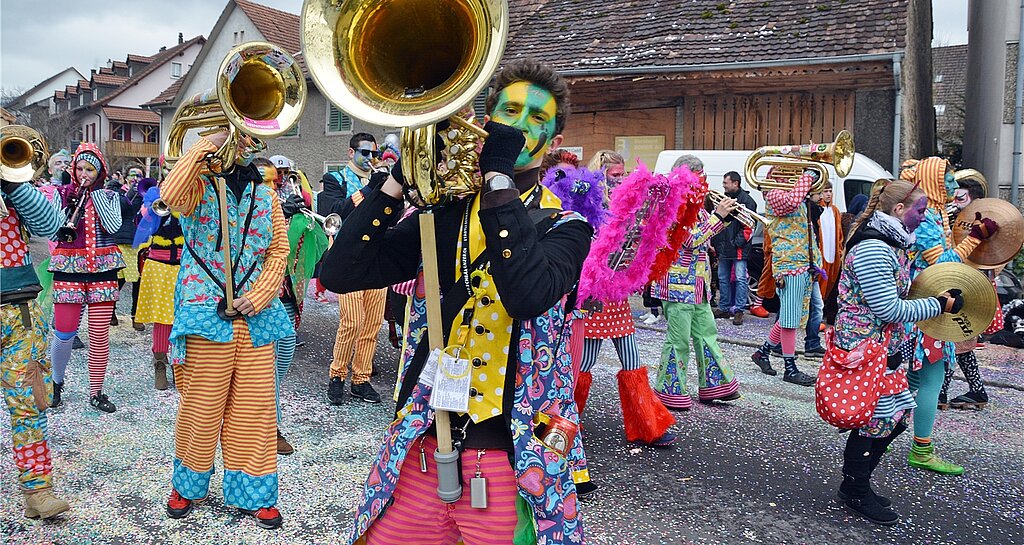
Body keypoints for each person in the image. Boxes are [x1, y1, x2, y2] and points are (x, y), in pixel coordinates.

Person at [323, 58, 591, 544]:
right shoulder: (446, 216)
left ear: (552, 143)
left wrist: (498, 179)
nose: (521, 125)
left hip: (518, 456)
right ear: (487, 122)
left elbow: (527, 294)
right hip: (426, 441)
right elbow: (342, 273)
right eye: (510, 111)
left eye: (537, 118)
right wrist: (395, 184)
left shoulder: (568, 226)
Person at [161, 129, 292, 529]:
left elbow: (279, 250)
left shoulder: (267, 195)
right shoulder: (197, 188)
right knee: (200, 409)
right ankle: (188, 485)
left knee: (255, 412)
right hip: (205, 315)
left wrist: (264, 292)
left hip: (256, 319)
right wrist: (207, 143)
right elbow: (169, 194)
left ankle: (254, 494)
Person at [821, 178, 950, 526]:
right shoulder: (875, 248)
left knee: (894, 419)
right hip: (864, 349)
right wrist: (936, 306)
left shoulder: (893, 243)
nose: (924, 217)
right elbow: (889, 309)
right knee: (875, 421)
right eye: (920, 211)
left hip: (883, 350)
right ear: (898, 210)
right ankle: (856, 489)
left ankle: (856, 485)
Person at [899, 157, 998, 475]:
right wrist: (975, 237)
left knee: (913, 379)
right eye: (948, 179)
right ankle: (921, 451)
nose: (954, 185)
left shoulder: (934, 213)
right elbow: (941, 263)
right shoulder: (925, 219)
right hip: (929, 308)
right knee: (931, 379)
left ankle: (882, 432)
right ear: (932, 183)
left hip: (929, 305)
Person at [575, 149, 677, 448]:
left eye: (622, 176)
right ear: (601, 175)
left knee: (631, 358)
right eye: (614, 176)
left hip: (616, 298)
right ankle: (564, 419)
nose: (619, 181)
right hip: (594, 297)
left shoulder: (627, 207)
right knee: (586, 361)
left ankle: (650, 426)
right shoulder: (588, 207)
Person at [1, 154, 71, 520]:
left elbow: (51, 224)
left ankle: (38, 492)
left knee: (31, 403)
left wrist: (11, 180)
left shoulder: (11, 186)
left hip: (19, 310)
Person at [653, 155, 741, 409]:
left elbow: (705, 236)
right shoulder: (671, 202)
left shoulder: (697, 204)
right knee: (678, 340)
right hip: (676, 284)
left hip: (699, 284)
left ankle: (715, 386)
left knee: (706, 334)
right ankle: (669, 390)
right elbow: (690, 239)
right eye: (699, 175)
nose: (703, 181)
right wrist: (719, 216)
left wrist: (722, 218)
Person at [48, 143, 124, 412]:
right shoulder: (61, 194)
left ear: (100, 171)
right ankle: (56, 382)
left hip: (103, 269)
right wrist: (70, 204)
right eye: (79, 168)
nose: (83, 174)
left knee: (100, 334)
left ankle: (96, 391)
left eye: (89, 169)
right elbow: (54, 230)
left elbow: (114, 226)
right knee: (64, 332)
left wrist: (98, 197)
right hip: (68, 269)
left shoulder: (110, 197)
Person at [319, 133, 386, 405]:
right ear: (351, 153)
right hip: (347, 259)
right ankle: (337, 375)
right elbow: (334, 212)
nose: (370, 159)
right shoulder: (334, 180)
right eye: (364, 153)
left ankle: (361, 379)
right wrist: (370, 189)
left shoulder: (382, 180)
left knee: (372, 324)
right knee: (352, 321)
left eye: (373, 153)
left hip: (377, 257)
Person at [749, 167, 821, 386]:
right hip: (790, 264)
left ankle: (762, 353)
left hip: (804, 262)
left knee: (791, 314)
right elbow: (790, 202)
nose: (796, 176)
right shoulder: (773, 195)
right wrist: (807, 176)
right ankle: (790, 368)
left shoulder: (796, 194)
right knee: (789, 319)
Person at [939, 175, 991, 410]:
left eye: (961, 196)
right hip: (957, 279)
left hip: (968, 283)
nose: (954, 199)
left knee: (953, 338)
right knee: (958, 341)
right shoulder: (951, 218)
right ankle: (976, 390)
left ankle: (941, 392)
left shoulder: (987, 224)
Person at [132, 177, 179, 390]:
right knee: (162, 317)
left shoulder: (188, 200)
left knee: (183, 317)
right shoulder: (152, 200)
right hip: (159, 265)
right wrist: (152, 206)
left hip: (184, 265)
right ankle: (160, 363)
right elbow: (142, 227)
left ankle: (180, 364)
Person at [711, 170, 758, 325]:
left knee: (740, 279)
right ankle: (724, 307)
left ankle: (739, 310)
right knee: (723, 278)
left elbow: (749, 227)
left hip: (737, 248)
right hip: (724, 246)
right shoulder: (724, 199)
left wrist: (736, 243)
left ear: (735, 183)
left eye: (726, 183)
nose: (723, 186)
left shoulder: (748, 201)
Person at [110, 164, 146, 331]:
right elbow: (123, 208)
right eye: (132, 175)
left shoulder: (147, 193)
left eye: (139, 176)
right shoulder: (118, 193)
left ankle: (135, 315)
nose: (135, 178)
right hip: (123, 241)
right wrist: (132, 191)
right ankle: (111, 310)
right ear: (125, 178)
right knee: (120, 279)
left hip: (142, 243)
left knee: (138, 281)